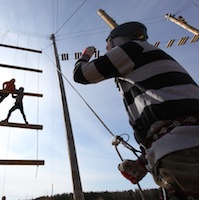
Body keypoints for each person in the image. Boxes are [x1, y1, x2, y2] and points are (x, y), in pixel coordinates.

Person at [73, 21, 199, 199]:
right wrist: (142, 163)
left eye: (108, 46)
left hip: (183, 150)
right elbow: (168, 117)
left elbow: (81, 74)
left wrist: (86, 54)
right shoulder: (147, 58)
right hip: (183, 147)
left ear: (117, 40)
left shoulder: (132, 48)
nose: (108, 51)